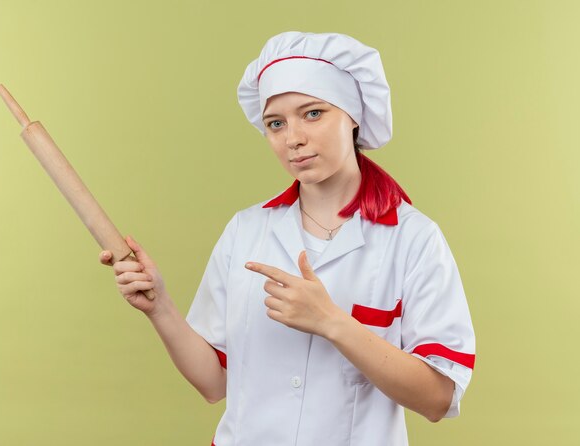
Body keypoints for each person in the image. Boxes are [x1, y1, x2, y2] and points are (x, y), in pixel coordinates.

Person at [99, 31, 476, 446]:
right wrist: (161, 308)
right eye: (275, 123)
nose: (292, 138)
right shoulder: (246, 230)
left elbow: (438, 398)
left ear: (353, 114)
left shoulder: (413, 239)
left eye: (313, 113)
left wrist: (332, 322)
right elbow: (214, 383)